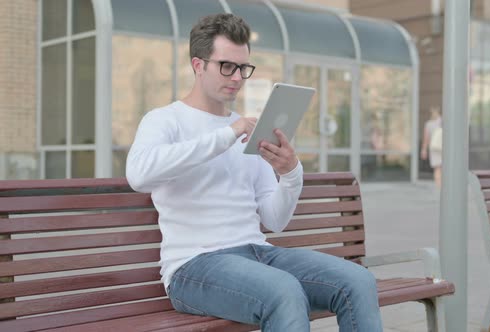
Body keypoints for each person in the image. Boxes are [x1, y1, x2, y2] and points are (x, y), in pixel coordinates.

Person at [126, 13, 382, 331]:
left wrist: (290, 174)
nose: (237, 77)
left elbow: (274, 220)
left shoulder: (249, 130)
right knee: (284, 291)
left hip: (258, 252)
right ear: (198, 65)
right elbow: (139, 176)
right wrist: (226, 134)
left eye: (243, 68)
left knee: (357, 280)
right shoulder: (166, 120)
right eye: (227, 66)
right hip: (194, 266)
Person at [420, 106, 442, 188]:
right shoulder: (443, 121)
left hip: (434, 148)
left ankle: (439, 186)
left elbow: (426, 139)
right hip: (444, 148)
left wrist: (424, 150)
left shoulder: (428, 124)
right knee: (445, 168)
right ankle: (445, 186)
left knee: (437, 169)